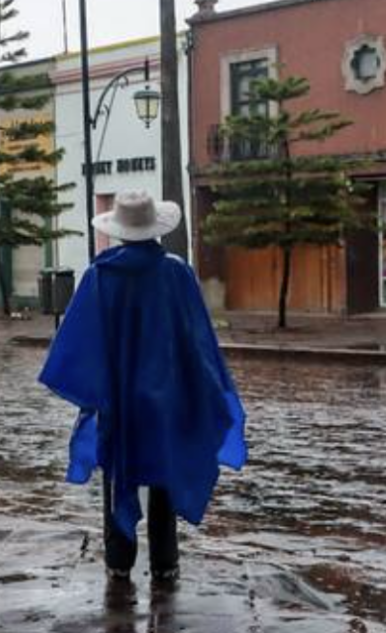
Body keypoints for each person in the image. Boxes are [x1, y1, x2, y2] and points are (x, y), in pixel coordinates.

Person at [39, 191, 246, 582]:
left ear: (119, 231)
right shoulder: (176, 273)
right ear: (156, 228)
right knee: (165, 472)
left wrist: (97, 387)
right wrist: (205, 389)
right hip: (167, 397)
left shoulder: (100, 277)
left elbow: (81, 342)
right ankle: (165, 560)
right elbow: (197, 340)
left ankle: (119, 559)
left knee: (118, 471)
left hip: (119, 399)